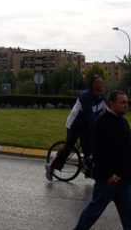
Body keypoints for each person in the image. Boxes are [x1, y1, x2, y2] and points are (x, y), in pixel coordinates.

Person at [73, 90, 131, 230]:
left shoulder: (123, 122)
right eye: (122, 102)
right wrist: (108, 175)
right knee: (93, 211)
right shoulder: (101, 123)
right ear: (111, 104)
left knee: (128, 213)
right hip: (108, 181)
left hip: (125, 179)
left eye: (127, 102)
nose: (126, 105)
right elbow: (98, 152)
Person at [45, 75, 107, 181]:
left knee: (91, 147)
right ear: (94, 85)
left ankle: (88, 169)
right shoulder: (85, 96)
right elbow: (89, 114)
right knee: (68, 147)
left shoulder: (100, 98)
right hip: (75, 125)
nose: (103, 85)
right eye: (100, 83)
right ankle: (51, 167)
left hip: (87, 126)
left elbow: (108, 111)